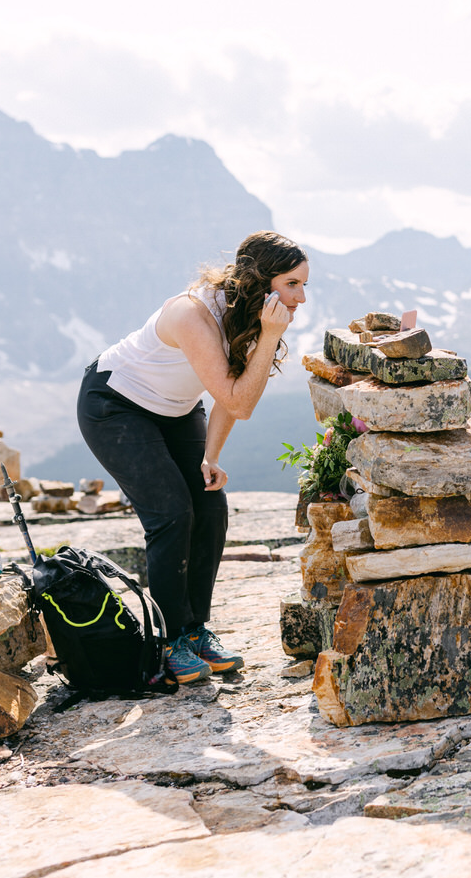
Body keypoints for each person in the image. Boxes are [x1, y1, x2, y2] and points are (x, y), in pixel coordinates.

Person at [77, 231, 308, 684]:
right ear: (262, 281)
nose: (300, 297)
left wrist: (211, 455)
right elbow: (240, 401)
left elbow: (231, 395)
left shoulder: (247, 313)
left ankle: (195, 629)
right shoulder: (191, 314)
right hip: (115, 405)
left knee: (210, 506)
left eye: (303, 285)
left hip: (175, 411)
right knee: (171, 513)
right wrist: (270, 335)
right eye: (292, 284)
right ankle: (168, 642)